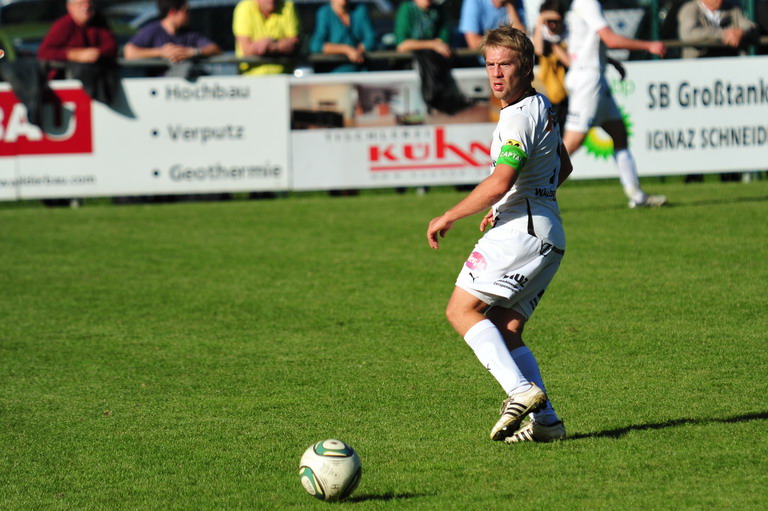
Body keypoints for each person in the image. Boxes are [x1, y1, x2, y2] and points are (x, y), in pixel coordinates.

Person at [426, 25, 573, 444]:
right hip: (548, 234)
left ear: (525, 67)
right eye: (490, 64)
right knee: (505, 328)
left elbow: (500, 179)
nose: (496, 73)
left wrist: (450, 215)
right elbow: (563, 167)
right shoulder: (541, 105)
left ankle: (519, 391)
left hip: (521, 231)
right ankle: (547, 423)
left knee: (461, 311)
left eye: (505, 64)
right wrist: (513, 200)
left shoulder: (516, 117)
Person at [563, 0, 667, 208]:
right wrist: (649, 45)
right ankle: (530, 192)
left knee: (619, 134)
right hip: (588, 79)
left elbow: (587, 43)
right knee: (570, 144)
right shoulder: (588, 3)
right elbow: (610, 39)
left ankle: (636, 195)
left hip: (592, 74)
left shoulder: (580, 4)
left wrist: (608, 61)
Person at [37, 0, 117, 80]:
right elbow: (43, 52)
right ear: (70, 7)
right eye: (80, 4)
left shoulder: (99, 22)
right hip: (64, 78)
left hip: (96, 74)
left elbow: (112, 46)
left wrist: (94, 53)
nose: (86, 7)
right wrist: (74, 55)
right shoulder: (63, 25)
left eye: (89, 3)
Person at [123, 0, 222, 65]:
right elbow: (129, 52)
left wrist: (193, 52)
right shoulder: (152, 30)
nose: (189, 14)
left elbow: (215, 49)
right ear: (173, 12)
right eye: (186, 10)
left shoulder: (190, 33)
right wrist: (160, 52)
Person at [232, 0, 300, 75]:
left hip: (284, 75)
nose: (271, 0)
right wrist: (279, 45)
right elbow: (246, 49)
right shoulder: (244, 8)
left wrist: (270, 45)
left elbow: (295, 43)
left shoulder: (288, 5)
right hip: (250, 76)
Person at [309, 0, 377, 73]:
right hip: (333, 71)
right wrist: (347, 49)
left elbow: (371, 37)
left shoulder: (360, 10)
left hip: (360, 70)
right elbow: (316, 45)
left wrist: (358, 51)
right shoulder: (324, 13)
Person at [677, 0, 758, 59]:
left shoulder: (733, 8)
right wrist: (724, 34)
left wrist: (742, 32)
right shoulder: (689, 9)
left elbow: (749, 26)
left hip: (731, 64)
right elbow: (688, 33)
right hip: (699, 65)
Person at [532, 0, 569, 130]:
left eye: (556, 21)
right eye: (548, 21)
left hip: (565, 95)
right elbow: (539, 50)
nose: (552, 25)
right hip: (544, 94)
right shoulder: (540, 33)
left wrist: (554, 46)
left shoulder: (569, 34)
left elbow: (570, 62)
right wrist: (540, 21)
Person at [459, 0, 527, 50]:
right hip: (481, 62)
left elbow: (523, 40)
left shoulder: (518, 2)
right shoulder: (474, 2)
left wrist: (511, 6)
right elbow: (473, 42)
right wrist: (507, 44)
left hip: (512, 58)